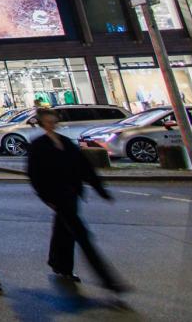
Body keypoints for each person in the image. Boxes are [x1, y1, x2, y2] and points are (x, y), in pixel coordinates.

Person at [27, 108, 126, 292]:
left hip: (71, 194)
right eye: (47, 121)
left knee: (63, 230)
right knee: (82, 236)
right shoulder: (39, 145)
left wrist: (99, 188)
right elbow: (35, 175)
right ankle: (109, 281)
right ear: (42, 124)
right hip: (58, 196)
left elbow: (83, 167)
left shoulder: (65, 142)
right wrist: (46, 197)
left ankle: (59, 264)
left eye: (53, 120)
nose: (51, 124)